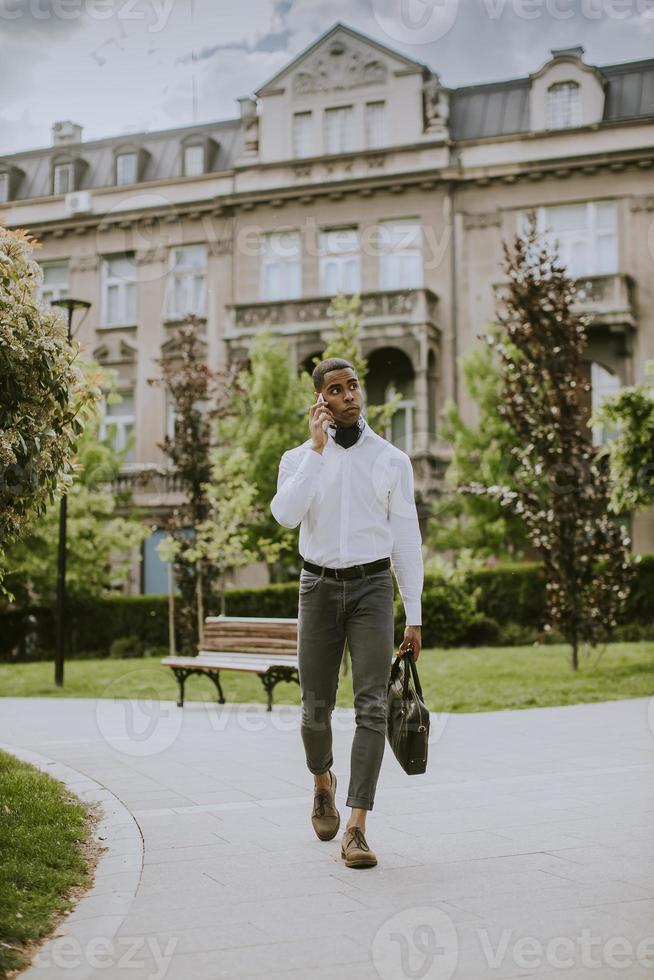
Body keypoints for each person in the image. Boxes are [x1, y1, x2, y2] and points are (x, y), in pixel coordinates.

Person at [270, 357, 423, 869]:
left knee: (372, 708)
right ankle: (322, 782)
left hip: (373, 589)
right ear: (320, 401)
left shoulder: (391, 460)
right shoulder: (298, 459)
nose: (350, 395)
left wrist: (415, 613)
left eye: (354, 385)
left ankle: (356, 827)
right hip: (317, 586)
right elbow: (286, 514)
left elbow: (406, 540)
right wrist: (315, 451)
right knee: (314, 707)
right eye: (336, 389)